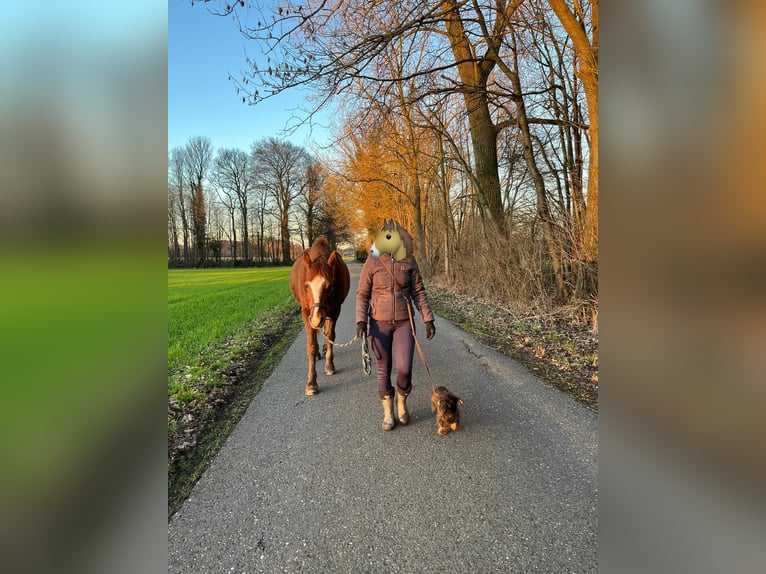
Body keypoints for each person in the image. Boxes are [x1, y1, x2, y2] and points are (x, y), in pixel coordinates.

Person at [355, 220, 436, 431]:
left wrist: (428, 318)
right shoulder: (372, 263)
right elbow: (362, 294)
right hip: (379, 324)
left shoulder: (409, 261)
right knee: (383, 370)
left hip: (404, 322)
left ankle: (402, 401)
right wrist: (361, 321)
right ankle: (388, 412)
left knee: (404, 368)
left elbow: (418, 291)